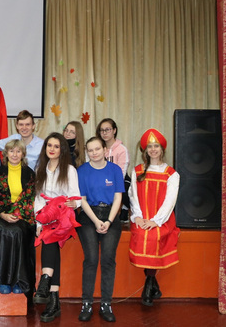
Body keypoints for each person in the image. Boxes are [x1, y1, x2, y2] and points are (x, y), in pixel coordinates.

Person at [129, 128, 180, 307]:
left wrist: (156, 221)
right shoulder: (137, 171)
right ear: (145, 150)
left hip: (162, 220)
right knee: (142, 234)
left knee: (152, 238)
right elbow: (133, 196)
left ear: (162, 149)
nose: (153, 149)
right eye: (150, 146)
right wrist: (138, 217)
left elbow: (170, 202)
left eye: (156, 146)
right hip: (142, 217)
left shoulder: (171, 174)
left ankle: (148, 287)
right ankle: (153, 285)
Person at [33, 133, 81, 323]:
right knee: (49, 239)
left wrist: (72, 203)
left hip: (63, 216)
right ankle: (53, 299)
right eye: (49, 145)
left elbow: (76, 197)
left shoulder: (69, 170)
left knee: (49, 238)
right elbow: (38, 198)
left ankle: (45, 280)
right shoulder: (40, 169)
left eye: (56, 146)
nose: (52, 149)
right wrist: (39, 222)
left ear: (62, 150)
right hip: (46, 216)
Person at [75, 136, 124, 323]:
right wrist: (96, 221)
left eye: (97, 149)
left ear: (105, 150)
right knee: (91, 259)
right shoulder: (82, 171)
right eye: (90, 150)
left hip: (110, 215)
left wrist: (109, 221)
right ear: (87, 152)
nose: (94, 153)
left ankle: (106, 304)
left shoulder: (115, 170)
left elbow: (118, 198)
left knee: (108, 260)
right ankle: (86, 303)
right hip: (89, 216)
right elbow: (82, 200)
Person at [0, 139, 36, 299]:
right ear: (6, 153)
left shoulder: (30, 174)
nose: (15, 154)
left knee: (18, 231)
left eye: (18, 151)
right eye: (11, 151)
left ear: (23, 154)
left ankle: (18, 281)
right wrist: (3, 214)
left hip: (22, 215)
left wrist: (17, 214)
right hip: (1, 215)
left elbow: (30, 198)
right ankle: (4, 281)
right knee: (5, 231)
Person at [96, 118, 131, 222]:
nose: (104, 133)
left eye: (107, 129)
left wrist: (109, 183)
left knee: (124, 188)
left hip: (118, 179)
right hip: (101, 179)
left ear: (114, 130)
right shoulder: (98, 148)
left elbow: (121, 172)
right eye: (102, 130)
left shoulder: (122, 149)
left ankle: (125, 208)